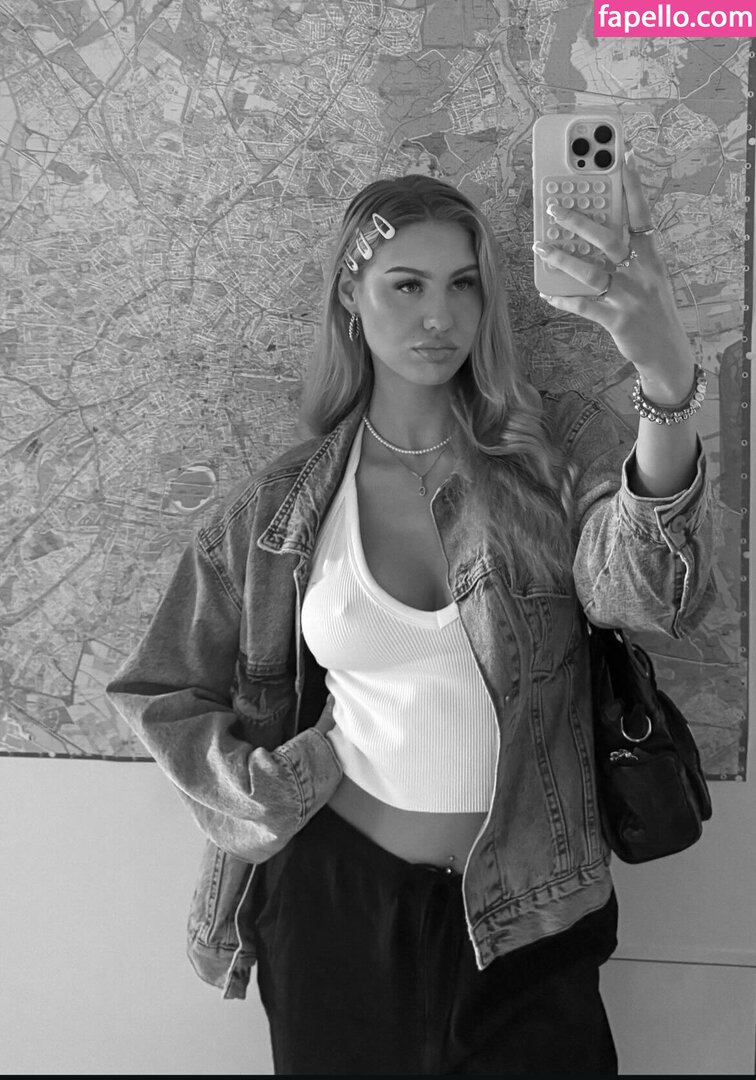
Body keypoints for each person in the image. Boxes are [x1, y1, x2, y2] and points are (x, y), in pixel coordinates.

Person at [106, 162, 716, 1075]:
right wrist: (267, 785)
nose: (440, 316)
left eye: (463, 285)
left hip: (532, 915)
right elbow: (159, 690)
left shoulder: (547, 464)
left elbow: (650, 596)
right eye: (407, 285)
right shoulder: (280, 511)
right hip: (333, 908)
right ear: (350, 298)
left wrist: (666, 382)